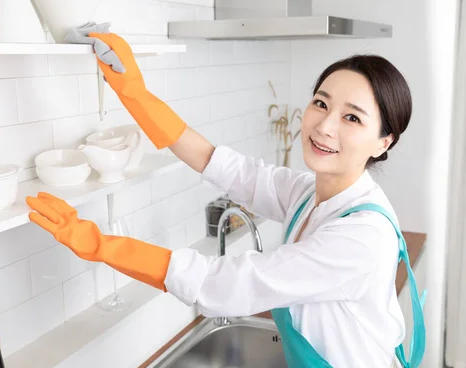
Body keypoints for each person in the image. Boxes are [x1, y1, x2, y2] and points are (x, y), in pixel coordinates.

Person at [25, 32, 425, 368]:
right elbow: (230, 169)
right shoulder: (311, 193)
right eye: (321, 103)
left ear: (383, 141)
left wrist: (99, 245)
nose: (324, 125)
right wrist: (135, 94)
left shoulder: (358, 238)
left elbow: (224, 285)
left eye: (352, 118)